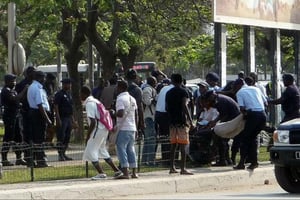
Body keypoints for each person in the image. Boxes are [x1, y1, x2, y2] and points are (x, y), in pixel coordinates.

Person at [80, 86, 122, 180]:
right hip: (104, 129)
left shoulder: (89, 104)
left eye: (81, 94)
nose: (80, 96)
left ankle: (101, 173)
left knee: (90, 150)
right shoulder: (96, 101)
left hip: (97, 129)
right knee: (101, 150)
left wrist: (88, 136)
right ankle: (116, 170)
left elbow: (93, 121)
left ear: (85, 94)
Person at [233, 78, 267, 170]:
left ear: (238, 86)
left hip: (253, 116)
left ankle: (242, 163)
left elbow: (242, 108)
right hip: (263, 115)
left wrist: (245, 116)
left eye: (235, 87)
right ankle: (254, 162)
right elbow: (266, 103)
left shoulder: (239, 92)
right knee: (253, 138)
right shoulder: (256, 89)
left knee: (244, 139)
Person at [165, 73, 194, 175]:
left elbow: (166, 108)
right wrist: (190, 120)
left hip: (172, 122)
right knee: (183, 144)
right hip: (182, 121)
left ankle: (172, 167)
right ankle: (183, 168)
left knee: (173, 145)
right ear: (181, 81)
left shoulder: (168, 93)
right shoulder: (184, 91)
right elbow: (184, 106)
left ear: (172, 81)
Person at [204, 91, 240, 166]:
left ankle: (222, 161)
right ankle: (228, 160)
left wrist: (217, 124)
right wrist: (214, 122)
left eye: (209, 99)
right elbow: (222, 114)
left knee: (220, 137)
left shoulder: (219, 101)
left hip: (233, 119)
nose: (209, 101)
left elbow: (225, 115)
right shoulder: (219, 98)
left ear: (212, 95)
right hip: (233, 118)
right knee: (224, 139)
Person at [1, 74, 28, 166]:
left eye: (15, 81)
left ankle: (19, 158)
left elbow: (17, 100)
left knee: (19, 137)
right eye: (12, 81)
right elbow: (14, 99)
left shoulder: (13, 90)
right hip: (9, 117)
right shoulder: (5, 91)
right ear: (7, 82)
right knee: (8, 137)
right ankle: (4, 159)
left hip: (16, 116)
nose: (14, 83)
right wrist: (24, 90)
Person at [27, 70, 52, 168]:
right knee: (39, 139)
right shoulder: (37, 88)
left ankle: (34, 160)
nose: (45, 80)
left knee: (36, 138)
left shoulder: (32, 86)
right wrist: (47, 119)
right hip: (38, 114)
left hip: (34, 113)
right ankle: (41, 161)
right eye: (44, 78)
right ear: (40, 78)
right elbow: (40, 105)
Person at [114, 79, 139, 179]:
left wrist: (112, 113)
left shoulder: (120, 99)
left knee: (121, 148)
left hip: (123, 127)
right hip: (132, 127)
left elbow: (120, 113)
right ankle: (134, 172)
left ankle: (125, 172)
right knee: (131, 149)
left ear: (120, 88)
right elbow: (136, 114)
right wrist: (136, 127)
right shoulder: (132, 98)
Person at [15, 66, 36, 166]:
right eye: (33, 72)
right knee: (27, 136)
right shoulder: (21, 84)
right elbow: (18, 98)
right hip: (26, 112)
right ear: (28, 73)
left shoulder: (37, 83)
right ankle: (28, 158)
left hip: (35, 113)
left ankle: (34, 157)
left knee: (35, 136)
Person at [54, 78, 77, 161]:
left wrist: (73, 120)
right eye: (67, 84)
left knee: (67, 136)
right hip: (62, 118)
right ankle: (60, 154)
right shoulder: (59, 94)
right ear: (64, 84)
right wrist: (58, 119)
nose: (69, 85)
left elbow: (70, 109)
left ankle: (64, 153)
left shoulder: (69, 94)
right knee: (61, 136)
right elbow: (56, 107)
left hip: (68, 118)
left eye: (69, 84)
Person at [155, 80, 174, 166]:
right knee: (170, 137)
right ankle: (168, 160)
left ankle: (165, 158)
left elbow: (157, 99)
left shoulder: (163, 88)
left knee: (164, 136)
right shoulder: (174, 89)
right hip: (166, 114)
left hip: (158, 114)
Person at [141, 76, 157, 166]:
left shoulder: (151, 89)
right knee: (151, 140)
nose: (156, 83)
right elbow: (147, 102)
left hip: (151, 116)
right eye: (155, 81)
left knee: (148, 140)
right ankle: (150, 161)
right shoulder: (147, 89)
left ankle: (144, 161)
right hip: (148, 117)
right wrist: (154, 99)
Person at [126, 69, 145, 134]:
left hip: (121, 117)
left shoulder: (120, 87)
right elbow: (139, 106)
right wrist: (142, 122)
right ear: (135, 77)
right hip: (133, 118)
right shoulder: (137, 90)